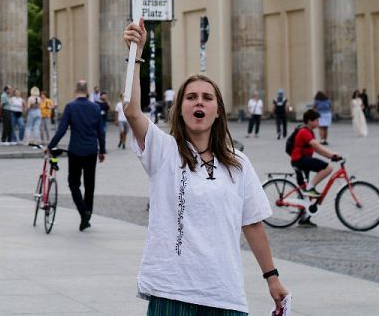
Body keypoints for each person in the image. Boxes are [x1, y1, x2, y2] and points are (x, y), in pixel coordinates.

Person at [121, 21, 288, 314]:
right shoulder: (164, 151)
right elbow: (132, 110)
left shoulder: (239, 164)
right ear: (180, 108)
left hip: (224, 294)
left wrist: (272, 278)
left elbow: (252, 223)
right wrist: (136, 54)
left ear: (218, 110)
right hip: (171, 292)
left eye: (207, 98)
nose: (199, 102)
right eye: (191, 97)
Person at [47, 79, 106, 231]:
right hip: (91, 150)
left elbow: (61, 130)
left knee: (74, 184)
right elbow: (101, 131)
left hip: (75, 151)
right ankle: (87, 215)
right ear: (87, 91)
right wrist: (102, 150)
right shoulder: (95, 107)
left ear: (75, 90)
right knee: (89, 185)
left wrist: (50, 146)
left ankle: (83, 212)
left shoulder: (70, 107)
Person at [288, 109, 343, 220]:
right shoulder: (304, 131)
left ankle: (304, 218)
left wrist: (330, 156)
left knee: (304, 190)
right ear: (309, 121)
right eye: (316, 121)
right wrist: (332, 154)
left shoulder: (308, 131)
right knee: (328, 167)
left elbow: (316, 149)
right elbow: (316, 145)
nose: (318, 123)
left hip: (302, 160)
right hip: (300, 160)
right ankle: (311, 187)